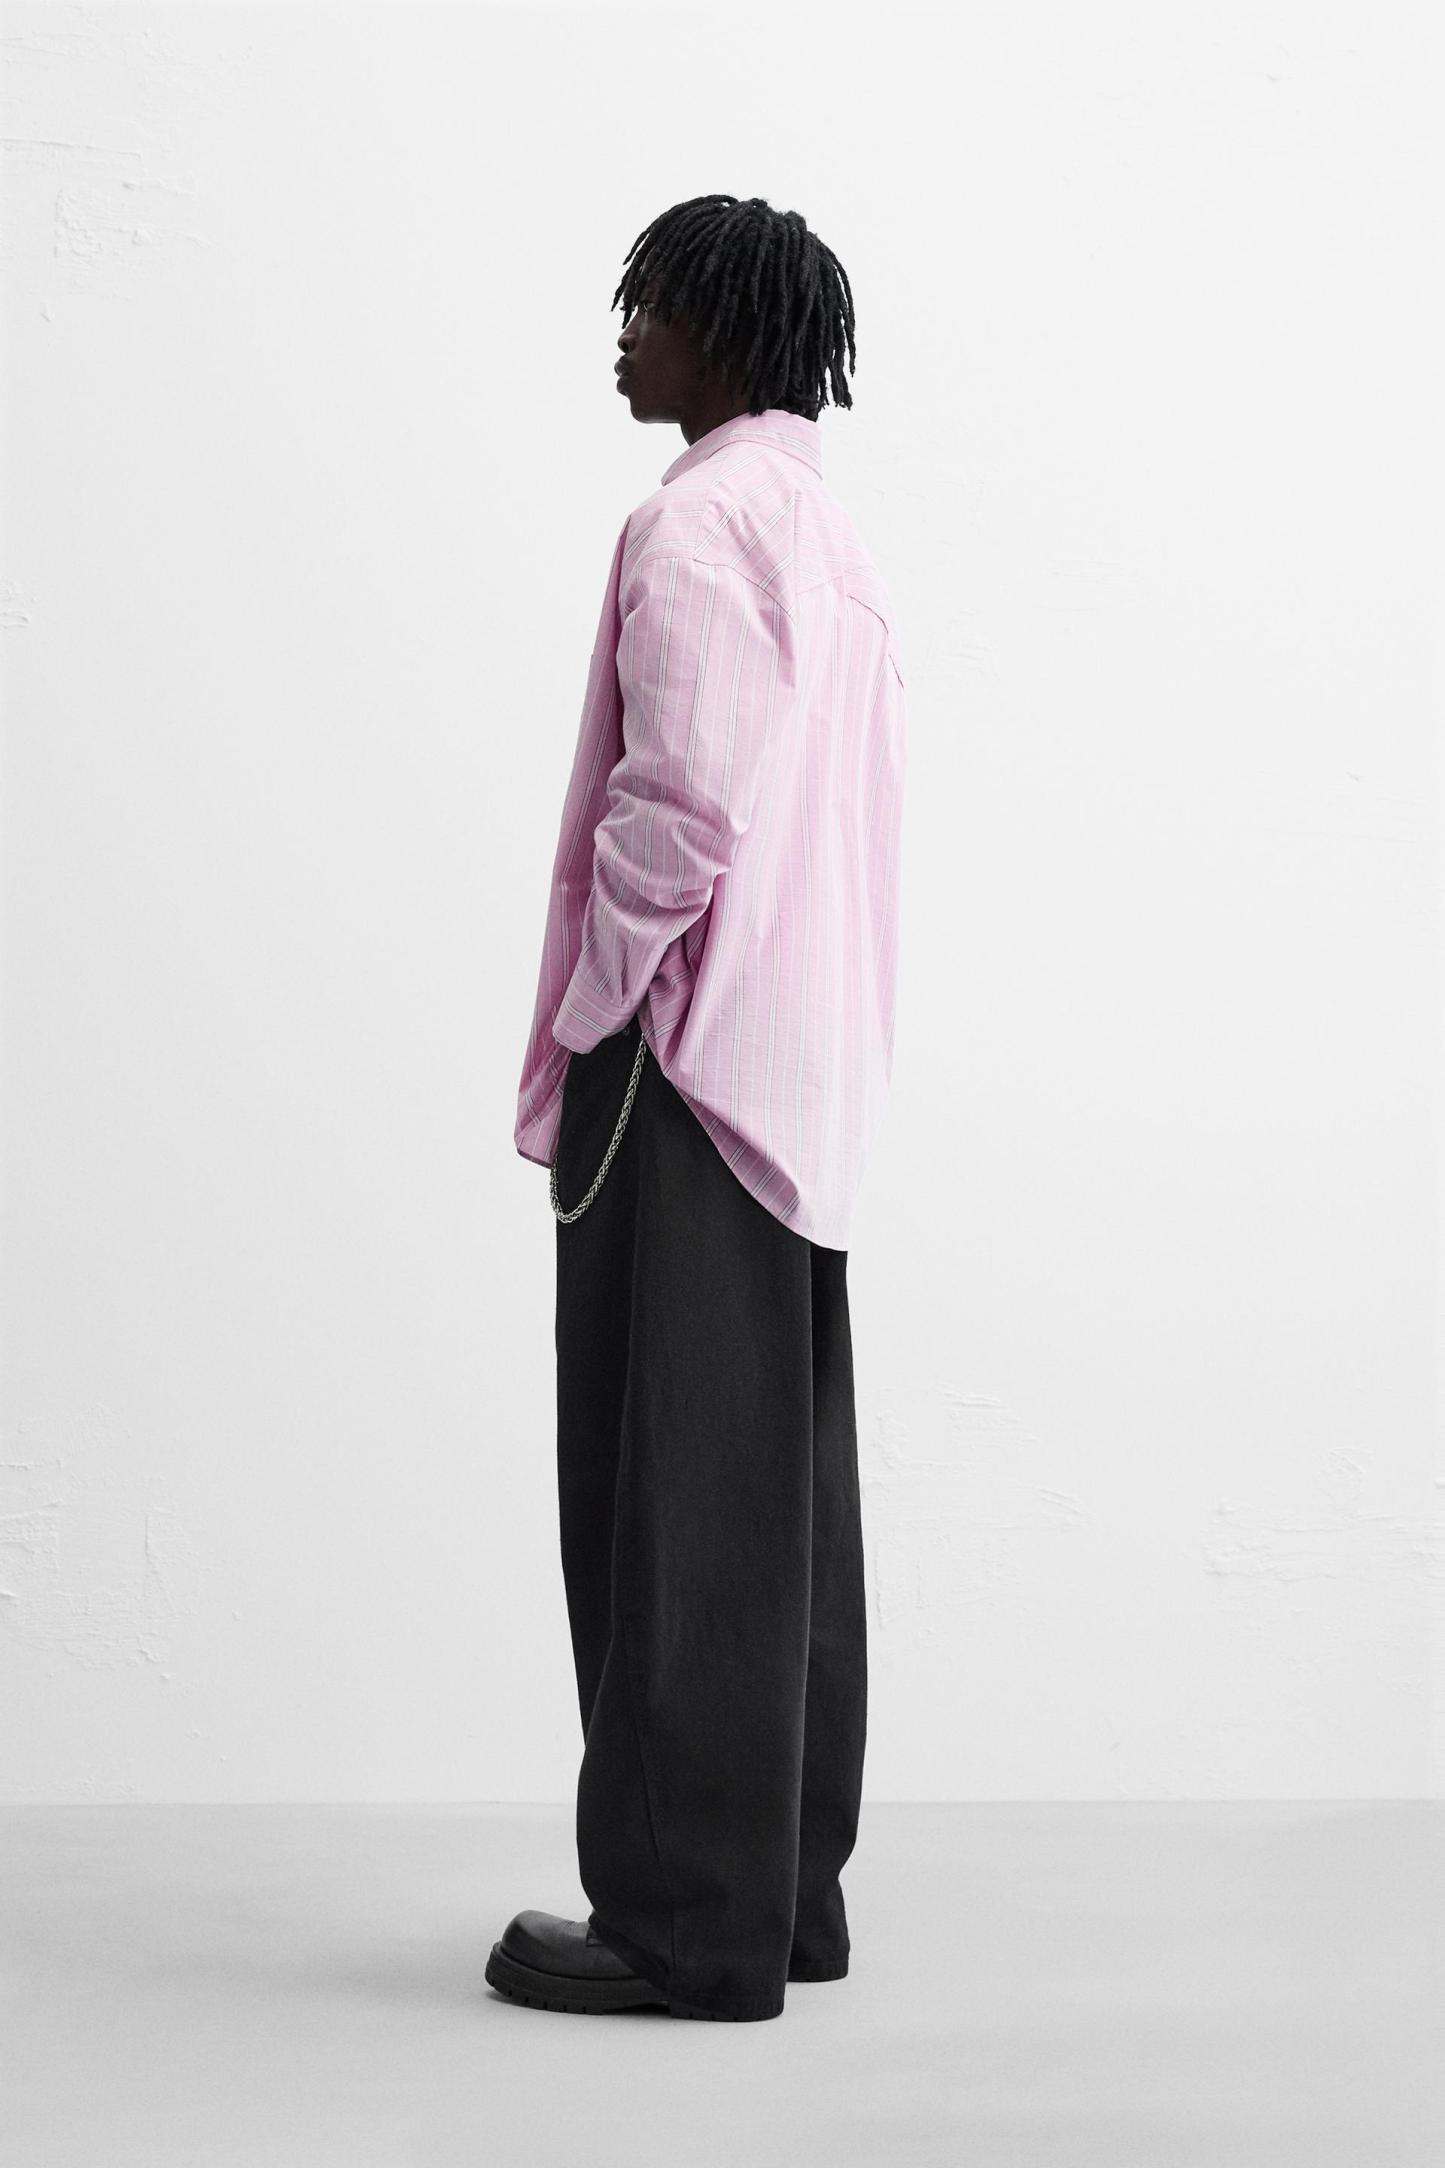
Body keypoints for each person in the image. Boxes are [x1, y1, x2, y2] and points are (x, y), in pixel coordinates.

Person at [490, 193, 907, 2024]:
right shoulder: (834, 537)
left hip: (680, 1059)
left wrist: (599, 1011)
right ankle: (780, 1896)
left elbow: (682, 807)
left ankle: (679, 1926)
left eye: (651, 304)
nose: (625, 333)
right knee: (773, 1500)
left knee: (661, 1496)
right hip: (802, 1076)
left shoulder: (693, 523)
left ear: (725, 335)